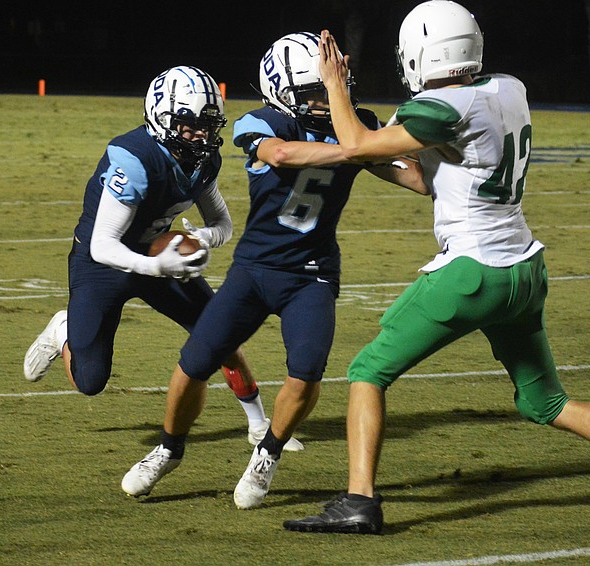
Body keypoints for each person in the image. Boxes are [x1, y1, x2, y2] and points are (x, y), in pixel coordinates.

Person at [283, 1, 590, 535]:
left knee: (368, 371)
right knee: (545, 401)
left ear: (419, 54)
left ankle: (359, 502)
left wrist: (335, 86)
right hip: (523, 270)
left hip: (471, 273)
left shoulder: (443, 108)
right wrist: (369, 157)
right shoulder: (509, 89)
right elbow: (423, 178)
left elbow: (356, 143)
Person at [121, 33, 427, 502]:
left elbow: (417, 180)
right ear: (281, 91)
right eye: (314, 92)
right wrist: (357, 148)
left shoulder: (357, 125)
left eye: (331, 89)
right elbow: (281, 154)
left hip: (311, 273)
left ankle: (268, 452)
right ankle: (168, 448)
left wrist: (419, 136)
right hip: (254, 268)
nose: (327, 101)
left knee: (306, 372)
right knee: (194, 363)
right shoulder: (263, 122)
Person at [22, 66, 301, 462]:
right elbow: (103, 245)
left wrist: (203, 238)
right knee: (90, 381)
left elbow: (222, 224)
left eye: (207, 125)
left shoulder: (203, 159)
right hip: (102, 265)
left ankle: (258, 425)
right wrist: (159, 267)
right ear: (162, 117)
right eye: (190, 125)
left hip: (158, 256)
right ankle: (62, 329)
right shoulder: (135, 159)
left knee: (221, 333)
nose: (200, 135)